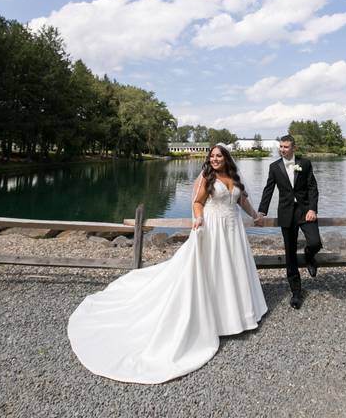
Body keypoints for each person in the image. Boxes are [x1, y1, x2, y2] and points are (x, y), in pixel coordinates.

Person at [67, 143, 267, 384]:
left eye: (218, 156)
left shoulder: (233, 177)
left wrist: (255, 215)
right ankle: (218, 320)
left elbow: (241, 201)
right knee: (214, 271)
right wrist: (199, 218)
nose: (214, 159)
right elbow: (197, 203)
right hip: (213, 229)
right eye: (212, 156)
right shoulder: (207, 177)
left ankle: (240, 316)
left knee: (233, 270)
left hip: (233, 231)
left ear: (226, 158)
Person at [257, 134, 321, 309]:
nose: (282, 149)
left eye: (286, 147)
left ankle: (309, 256)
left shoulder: (305, 163)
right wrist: (262, 211)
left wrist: (312, 209)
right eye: (281, 147)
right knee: (290, 254)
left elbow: (312, 187)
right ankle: (296, 292)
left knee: (315, 242)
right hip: (286, 214)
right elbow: (268, 189)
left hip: (305, 211)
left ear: (293, 148)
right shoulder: (274, 167)